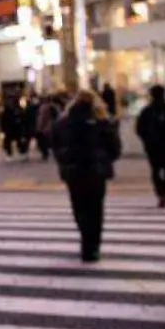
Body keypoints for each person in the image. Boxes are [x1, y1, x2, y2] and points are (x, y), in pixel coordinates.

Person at [52, 91, 121, 263]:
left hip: (73, 171)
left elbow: (55, 145)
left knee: (79, 206)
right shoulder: (102, 121)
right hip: (96, 171)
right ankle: (92, 246)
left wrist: (64, 160)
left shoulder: (62, 123)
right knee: (96, 209)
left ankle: (85, 235)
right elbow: (115, 148)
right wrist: (105, 159)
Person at [135, 85, 165, 208]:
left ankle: (161, 193)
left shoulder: (147, 111)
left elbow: (139, 129)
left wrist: (147, 140)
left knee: (155, 170)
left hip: (153, 146)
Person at [35, 94, 61, 162]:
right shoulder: (54, 107)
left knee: (45, 142)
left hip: (46, 127)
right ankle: (47, 154)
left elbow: (42, 118)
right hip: (48, 127)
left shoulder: (46, 107)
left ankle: (46, 154)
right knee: (47, 141)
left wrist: (41, 127)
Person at [0, 96, 26, 160]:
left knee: (19, 141)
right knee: (8, 142)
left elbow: (23, 119)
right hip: (9, 128)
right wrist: (3, 129)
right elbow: (3, 120)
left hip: (17, 128)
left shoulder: (19, 109)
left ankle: (21, 153)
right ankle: (9, 154)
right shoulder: (7, 110)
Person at [22, 92, 41, 160]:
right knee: (34, 138)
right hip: (32, 125)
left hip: (31, 125)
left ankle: (25, 153)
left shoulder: (29, 108)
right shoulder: (35, 107)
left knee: (30, 139)